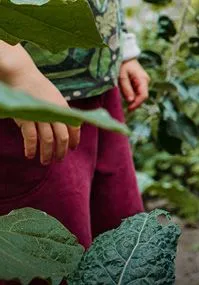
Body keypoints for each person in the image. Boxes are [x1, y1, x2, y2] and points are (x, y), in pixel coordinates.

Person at [0, 0, 148, 251]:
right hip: (27, 106)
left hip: (96, 95)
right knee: (53, 257)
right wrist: (13, 67)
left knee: (122, 238)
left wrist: (121, 44)